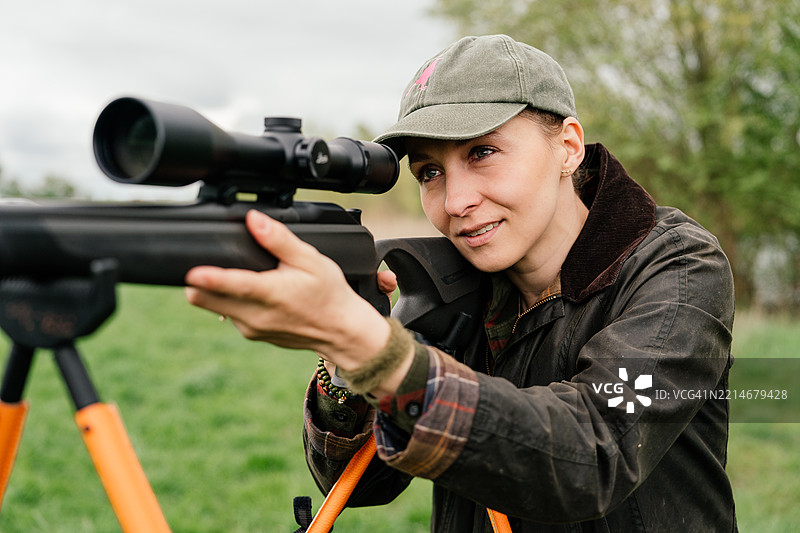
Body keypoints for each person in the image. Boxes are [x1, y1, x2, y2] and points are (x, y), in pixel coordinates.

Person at [185, 35, 737, 532]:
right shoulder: (452, 285)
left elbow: (593, 457)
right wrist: (345, 363)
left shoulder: (679, 266)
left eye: (483, 152)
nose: (455, 203)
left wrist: (373, 349)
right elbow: (360, 484)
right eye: (430, 172)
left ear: (568, 146)